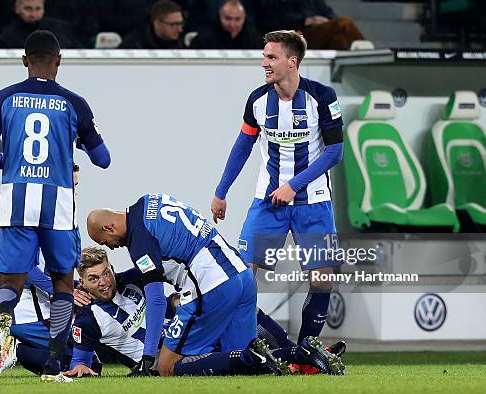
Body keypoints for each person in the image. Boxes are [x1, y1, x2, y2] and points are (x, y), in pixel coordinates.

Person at [0, 29, 111, 383]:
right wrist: (73, 143)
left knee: (10, 281)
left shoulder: (4, 98)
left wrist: (14, 157)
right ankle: (53, 362)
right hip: (58, 203)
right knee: (63, 282)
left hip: (16, 200)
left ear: (24, 60)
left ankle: (3, 316)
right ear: (58, 61)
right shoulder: (74, 104)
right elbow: (103, 159)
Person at [86, 193, 343, 377]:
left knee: (166, 366)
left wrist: (148, 356)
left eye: (106, 242)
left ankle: (269, 354)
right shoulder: (150, 200)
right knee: (242, 362)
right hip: (240, 274)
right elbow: (163, 260)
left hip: (212, 285)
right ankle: (305, 354)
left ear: (108, 227)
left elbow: (155, 298)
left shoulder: (138, 240)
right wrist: (123, 277)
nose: (111, 246)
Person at [211, 30, 344, 351]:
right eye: (264, 56)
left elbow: (334, 152)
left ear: (292, 61)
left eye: (271, 57)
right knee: (242, 278)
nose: (264, 63)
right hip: (267, 203)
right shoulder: (257, 100)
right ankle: (252, 344)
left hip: (313, 203)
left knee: (323, 278)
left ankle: (306, 350)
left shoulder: (323, 97)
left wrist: (293, 186)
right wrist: (221, 191)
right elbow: (243, 145)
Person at [65, 246, 344, 378]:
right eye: (93, 279)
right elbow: (81, 361)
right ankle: (299, 355)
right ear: (83, 283)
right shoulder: (88, 318)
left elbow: (168, 284)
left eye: (106, 273)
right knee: (193, 363)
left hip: (186, 336)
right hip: (161, 362)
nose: (103, 281)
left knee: (239, 309)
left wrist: (177, 301)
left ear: (112, 269)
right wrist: (78, 369)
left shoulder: (133, 280)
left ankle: (300, 353)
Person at [256, 0, 364, 50]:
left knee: (339, 39)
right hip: (298, 34)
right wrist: (304, 20)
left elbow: (328, 12)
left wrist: (327, 22)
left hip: (318, 32)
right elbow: (268, 19)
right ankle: (365, 52)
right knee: (344, 22)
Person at [1, 0, 81, 49]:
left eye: (38, 9)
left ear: (43, 9)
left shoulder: (59, 30)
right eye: (27, 9)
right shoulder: (8, 35)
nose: (33, 14)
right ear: (17, 8)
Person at [190, 0, 262, 50]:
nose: (232, 24)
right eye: (228, 19)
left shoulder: (255, 40)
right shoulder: (203, 39)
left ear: (244, 18)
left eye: (237, 19)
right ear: (220, 17)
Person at [118, 0, 185, 49]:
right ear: (157, 24)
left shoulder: (179, 45)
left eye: (181, 24)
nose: (180, 30)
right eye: (174, 24)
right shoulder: (134, 45)